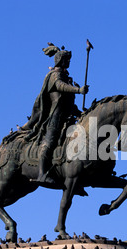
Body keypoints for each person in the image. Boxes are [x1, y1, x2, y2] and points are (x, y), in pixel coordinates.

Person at [21, 44, 88, 183]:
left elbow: (68, 102)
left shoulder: (65, 77)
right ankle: (41, 173)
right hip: (54, 117)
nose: (68, 62)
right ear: (60, 60)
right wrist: (78, 90)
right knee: (50, 142)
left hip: (68, 117)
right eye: (66, 60)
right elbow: (60, 86)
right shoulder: (54, 76)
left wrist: (81, 112)